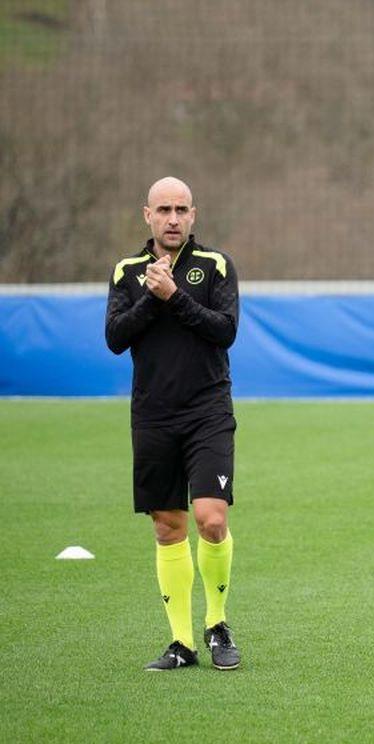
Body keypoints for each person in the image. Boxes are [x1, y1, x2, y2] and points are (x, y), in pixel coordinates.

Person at [105, 177, 242, 671]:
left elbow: (225, 331)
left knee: (211, 519)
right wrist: (151, 295)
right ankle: (182, 643)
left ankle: (217, 623)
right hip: (153, 415)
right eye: (163, 209)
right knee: (167, 527)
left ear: (193, 215)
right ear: (147, 215)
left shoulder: (216, 265)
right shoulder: (127, 272)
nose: (172, 218)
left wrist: (174, 294)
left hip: (207, 411)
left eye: (181, 209)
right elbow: (115, 338)